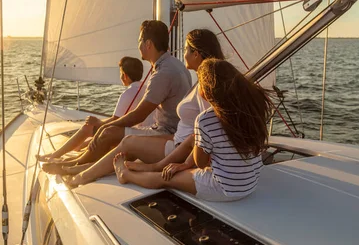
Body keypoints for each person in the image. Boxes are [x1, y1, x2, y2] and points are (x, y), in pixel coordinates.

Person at [75, 59, 271, 202]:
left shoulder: (206, 119)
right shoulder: (252, 109)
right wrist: (188, 162)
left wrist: (185, 165)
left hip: (223, 188)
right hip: (249, 184)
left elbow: (201, 163)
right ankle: (155, 165)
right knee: (189, 150)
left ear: (206, 90)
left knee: (166, 179)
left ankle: (126, 175)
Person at [55, 29, 225, 184]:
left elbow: (203, 131)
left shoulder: (190, 80)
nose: (184, 52)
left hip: (179, 145)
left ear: (196, 54)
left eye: (187, 49)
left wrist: (172, 164)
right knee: (123, 139)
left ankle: (82, 174)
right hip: (177, 138)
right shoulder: (187, 71)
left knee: (119, 137)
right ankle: (83, 166)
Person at [43, 19, 191, 173]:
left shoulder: (163, 72)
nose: (138, 45)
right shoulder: (175, 65)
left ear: (148, 44)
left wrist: (105, 126)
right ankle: (79, 161)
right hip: (171, 131)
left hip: (166, 135)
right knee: (110, 131)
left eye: (140, 40)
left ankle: (75, 165)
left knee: (109, 132)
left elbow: (138, 115)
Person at [38, 56, 153, 163]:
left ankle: (55, 155)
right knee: (87, 142)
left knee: (88, 128)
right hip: (144, 133)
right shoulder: (147, 89)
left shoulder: (128, 94)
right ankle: (73, 151)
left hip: (131, 136)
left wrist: (97, 122)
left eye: (121, 73)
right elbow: (120, 119)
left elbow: (115, 120)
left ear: (125, 76)